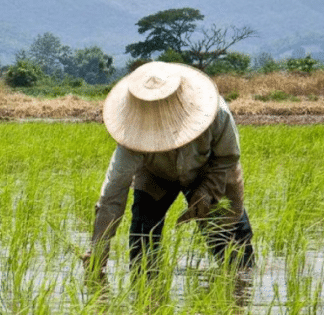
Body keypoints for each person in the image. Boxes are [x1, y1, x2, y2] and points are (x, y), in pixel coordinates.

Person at [82, 61, 255, 284]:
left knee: (235, 250)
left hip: (210, 170)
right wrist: (99, 247)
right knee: (143, 244)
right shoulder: (131, 135)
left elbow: (227, 158)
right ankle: (147, 293)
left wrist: (206, 191)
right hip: (156, 175)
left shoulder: (215, 113)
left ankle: (240, 290)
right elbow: (113, 192)